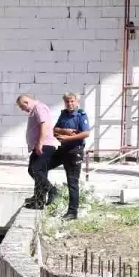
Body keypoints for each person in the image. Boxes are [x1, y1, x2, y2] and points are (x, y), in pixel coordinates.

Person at [50, 92, 91, 220]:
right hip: (62, 149)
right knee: (42, 166)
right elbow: (55, 129)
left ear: (76, 102)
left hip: (75, 151)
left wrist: (67, 138)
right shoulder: (63, 114)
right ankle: (50, 191)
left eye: (72, 101)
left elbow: (86, 133)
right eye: (67, 101)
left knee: (72, 182)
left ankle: (72, 212)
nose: (70, 103)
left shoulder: (80, 115)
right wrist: (64, 132)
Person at [16, 93, 59, 210]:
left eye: (22, 107)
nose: (22, 110)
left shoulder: (39, 107)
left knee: (37, 170)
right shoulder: (35, 109)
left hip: (45, 145)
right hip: (39, 146)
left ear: (26, 102)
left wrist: (40, 143)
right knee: (34, 170)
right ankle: (38, 200)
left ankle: (51, 190)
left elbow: (44, 125)